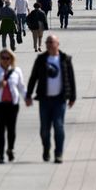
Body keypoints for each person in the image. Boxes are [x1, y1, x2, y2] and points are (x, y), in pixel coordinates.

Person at [25, 35, 76, 164]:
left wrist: (72, 97)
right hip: (44, 100)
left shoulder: (65, 59)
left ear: (58, 43)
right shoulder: (41, 59)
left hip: (60, 99)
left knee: (59, 126)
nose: (48, 44)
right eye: (47, 42)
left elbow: (71, 78)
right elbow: (33, 77)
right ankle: (46, 148)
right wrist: (28, 95)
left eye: (51, 42)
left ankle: (58, 153)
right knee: (44, 129)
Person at [0, 48, 27, 164]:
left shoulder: (17, 71)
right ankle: (1, 155)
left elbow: (21, 86)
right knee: (0, 129)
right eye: (2, 58)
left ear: (11, 59)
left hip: (12, 104)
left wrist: (27, 98)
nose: (5, 60)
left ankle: (10, 149)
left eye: (7, 58)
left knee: (11, 128)